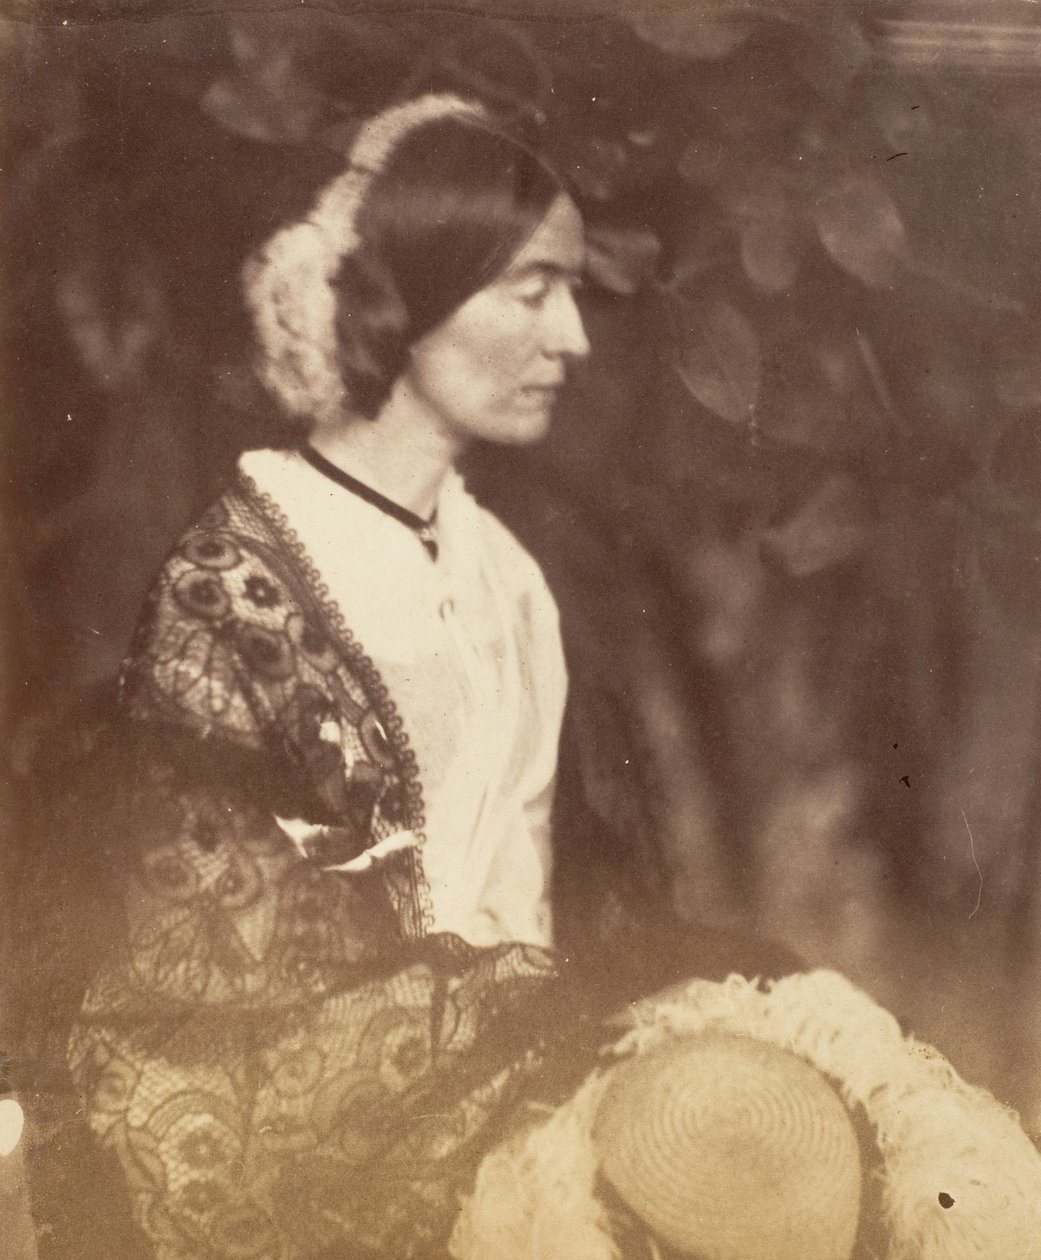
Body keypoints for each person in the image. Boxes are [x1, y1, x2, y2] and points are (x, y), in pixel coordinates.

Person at [20, 92, 707, 1260]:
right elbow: (221, 1005)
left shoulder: (509, 578)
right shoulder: (233, 589)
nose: (573, 338)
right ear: (411, 294)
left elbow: (572, 901)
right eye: (533, 289)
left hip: (539, 1134)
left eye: (573, 292)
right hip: (316, 1184)